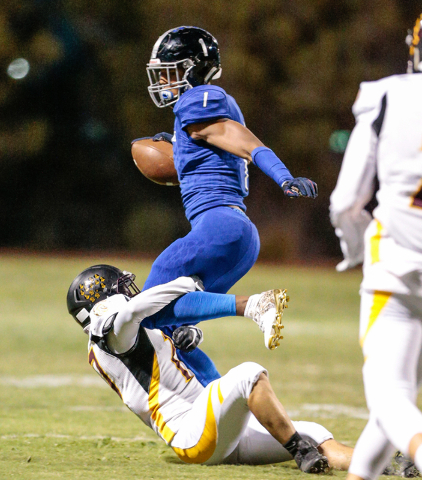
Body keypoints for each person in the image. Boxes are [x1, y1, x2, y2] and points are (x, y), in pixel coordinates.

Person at [134, 26, 318, 385]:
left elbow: (246, 143)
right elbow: (210, 151)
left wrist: (284, 177)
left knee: (146, 307)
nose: (165, 82)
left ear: (194, 68)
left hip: (220, 227)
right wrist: (175, 145)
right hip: (236, 234)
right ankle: (219, 407)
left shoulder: (199, 99)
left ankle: (253, 304)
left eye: (171, 72)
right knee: (170, 328)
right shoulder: (192, 118)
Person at [330, 3, 422, 480]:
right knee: (394, 404)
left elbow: (346, 201)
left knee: (389, 397)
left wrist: (356, 251)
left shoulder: (388, 96)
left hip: (397, 263)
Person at [65, 264, 352, 473]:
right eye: (120, 289)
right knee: (248, 374)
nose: (129, 292)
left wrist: (187, 338)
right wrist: (184, 284)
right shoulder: (110, 337)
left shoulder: (122, 335)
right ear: (101, 301)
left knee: (314, 432)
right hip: (191, 435)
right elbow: (129, 312)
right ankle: (300, 452)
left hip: (217, 428)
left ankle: (384, 463)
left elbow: (162, 358)